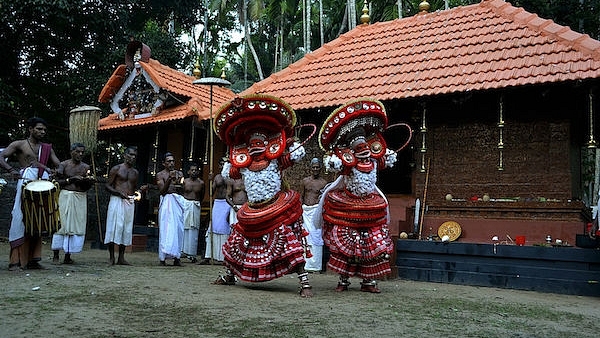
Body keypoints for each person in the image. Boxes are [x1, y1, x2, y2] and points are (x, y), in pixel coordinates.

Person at [211, 94, 313, 297]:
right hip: (252, 211)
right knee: (238, 243)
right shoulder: (243, 165)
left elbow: (296, 155)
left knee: (289, 242)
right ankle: (230, 275)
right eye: (251, 143)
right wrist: (231, 154)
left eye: (260, 142)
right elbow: (227, 172)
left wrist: (290, 142)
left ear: (269, 143)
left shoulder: (276, 160)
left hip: (276, 209)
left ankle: (304, 282)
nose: (256, 146)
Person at [315, 99, 412, 293]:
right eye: (359, 148)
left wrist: (389, 156)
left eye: (365, 147)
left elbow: (386, 160)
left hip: (371, 205)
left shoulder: (375, 161)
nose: (364, 151)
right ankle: (343, 280)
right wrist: (335, 163)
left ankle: (369, 281)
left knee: (372, 242)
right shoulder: (347, 163)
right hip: (348, 205)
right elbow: (336, 166)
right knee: (346, 245)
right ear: (352, 151)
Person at [0, 117, 61, 271]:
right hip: (25, 183)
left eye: (44, 130)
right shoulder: (19, 144)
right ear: (30, 129)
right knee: (21, 217)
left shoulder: (47, 148)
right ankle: (15, 262)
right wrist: (10, 170)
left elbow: (59, 164)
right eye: (39, 129)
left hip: (42, 183)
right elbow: (1, 156)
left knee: (38, 220)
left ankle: (33, 260)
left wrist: (55, 171)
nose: (42, 132)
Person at [51, 143, 95, 264]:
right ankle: (56, 255)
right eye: (78, 152)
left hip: (80, 197)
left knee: (76, 226)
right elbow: (56, 182)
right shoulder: (64, 164)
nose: (80, 154)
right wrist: (71, 179)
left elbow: (87, 187)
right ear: (72, 151)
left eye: (82, 152)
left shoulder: (86, 167)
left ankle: (67, 256)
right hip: (65, 196)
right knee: (61, 224)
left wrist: (88, 182)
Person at [104, 146, 141, 265]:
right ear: (125, 155)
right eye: (130, 154)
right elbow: (107, 186)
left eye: (134, 155)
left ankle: (121, 257)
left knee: (126, 228)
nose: (132, 157)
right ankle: (111, 257)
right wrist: (118, 193)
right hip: (116, 200)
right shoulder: (117, 168)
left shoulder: (135, 172)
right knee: (113, 227)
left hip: (129, 202)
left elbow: (134, 189)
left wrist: (140, 191)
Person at [156, 152, 185, 266]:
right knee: (166, 229)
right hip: (166, 202)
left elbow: (183, 190)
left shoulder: (180, 173)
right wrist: (169, 179)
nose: (171, 163)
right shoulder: (160, 175)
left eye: (173, 161)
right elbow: (162, 191)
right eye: (168, 161)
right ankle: (162, 258)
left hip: (177, 202)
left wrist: (180, 184)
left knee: (178, 229)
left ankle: (176, 258)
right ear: (164, 163)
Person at [300, 157, 328, 272]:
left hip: (316, 212)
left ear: (320, 168)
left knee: (316, 237)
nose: (315, 169)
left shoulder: (323, 183)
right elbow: (301, 197)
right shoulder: (305, 181)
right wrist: (300, 213)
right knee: (305, 237)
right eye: (314, 167)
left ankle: (316, 265)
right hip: (305, 211)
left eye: (317, 167)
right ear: (310, 168)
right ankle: (305, 264)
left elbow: (324, 200)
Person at [202, 158, 231, 264]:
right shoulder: (217, 177)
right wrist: (210, 181)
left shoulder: (231, 176)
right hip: (218, 203)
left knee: (225, 228)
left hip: (227, 204)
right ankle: (208, 256)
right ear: (219, 166)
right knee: (213, 227)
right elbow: (211, 192)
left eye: (226, 164)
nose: (224, 165)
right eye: (222, 164)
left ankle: (223, 256)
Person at [181, 162, 205, 262]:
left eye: (196, 170)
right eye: (192, 170)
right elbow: (180, 193)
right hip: (185, 205)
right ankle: (182, 251)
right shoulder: (184, 181)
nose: (194, 172)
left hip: (195, 206)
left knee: (194, 229)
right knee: (183, 227)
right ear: (188, 171)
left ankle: (192, 253)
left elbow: (202, 196)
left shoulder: (201, 183)